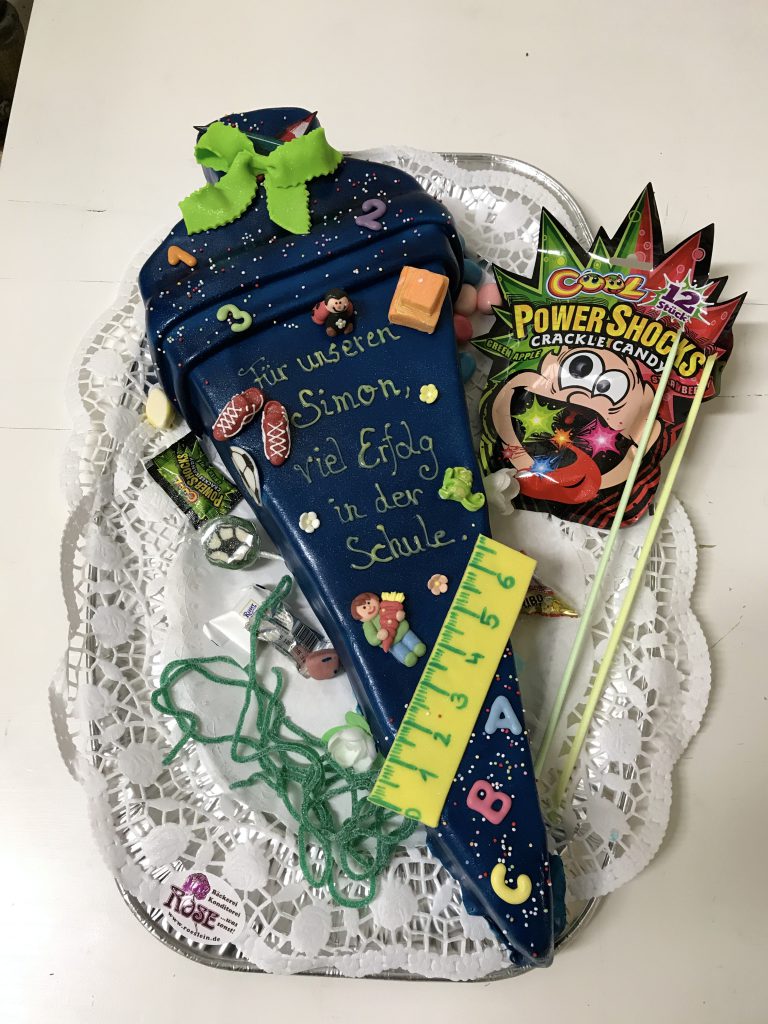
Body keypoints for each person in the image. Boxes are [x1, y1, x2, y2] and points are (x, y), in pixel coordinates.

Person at [350, 592, 426, 668]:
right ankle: (407, 657)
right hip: (391, 643)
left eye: (368, 603)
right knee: (405, 655)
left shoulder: (385, 606)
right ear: (359, 616)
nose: (369, 607)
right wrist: (379, 637)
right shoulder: (368, 624)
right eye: (364, 607)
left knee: (418, 647)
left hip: (403, 630)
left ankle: (416, 645)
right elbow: (371, 639)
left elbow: (395, 611)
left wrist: (399, 615)